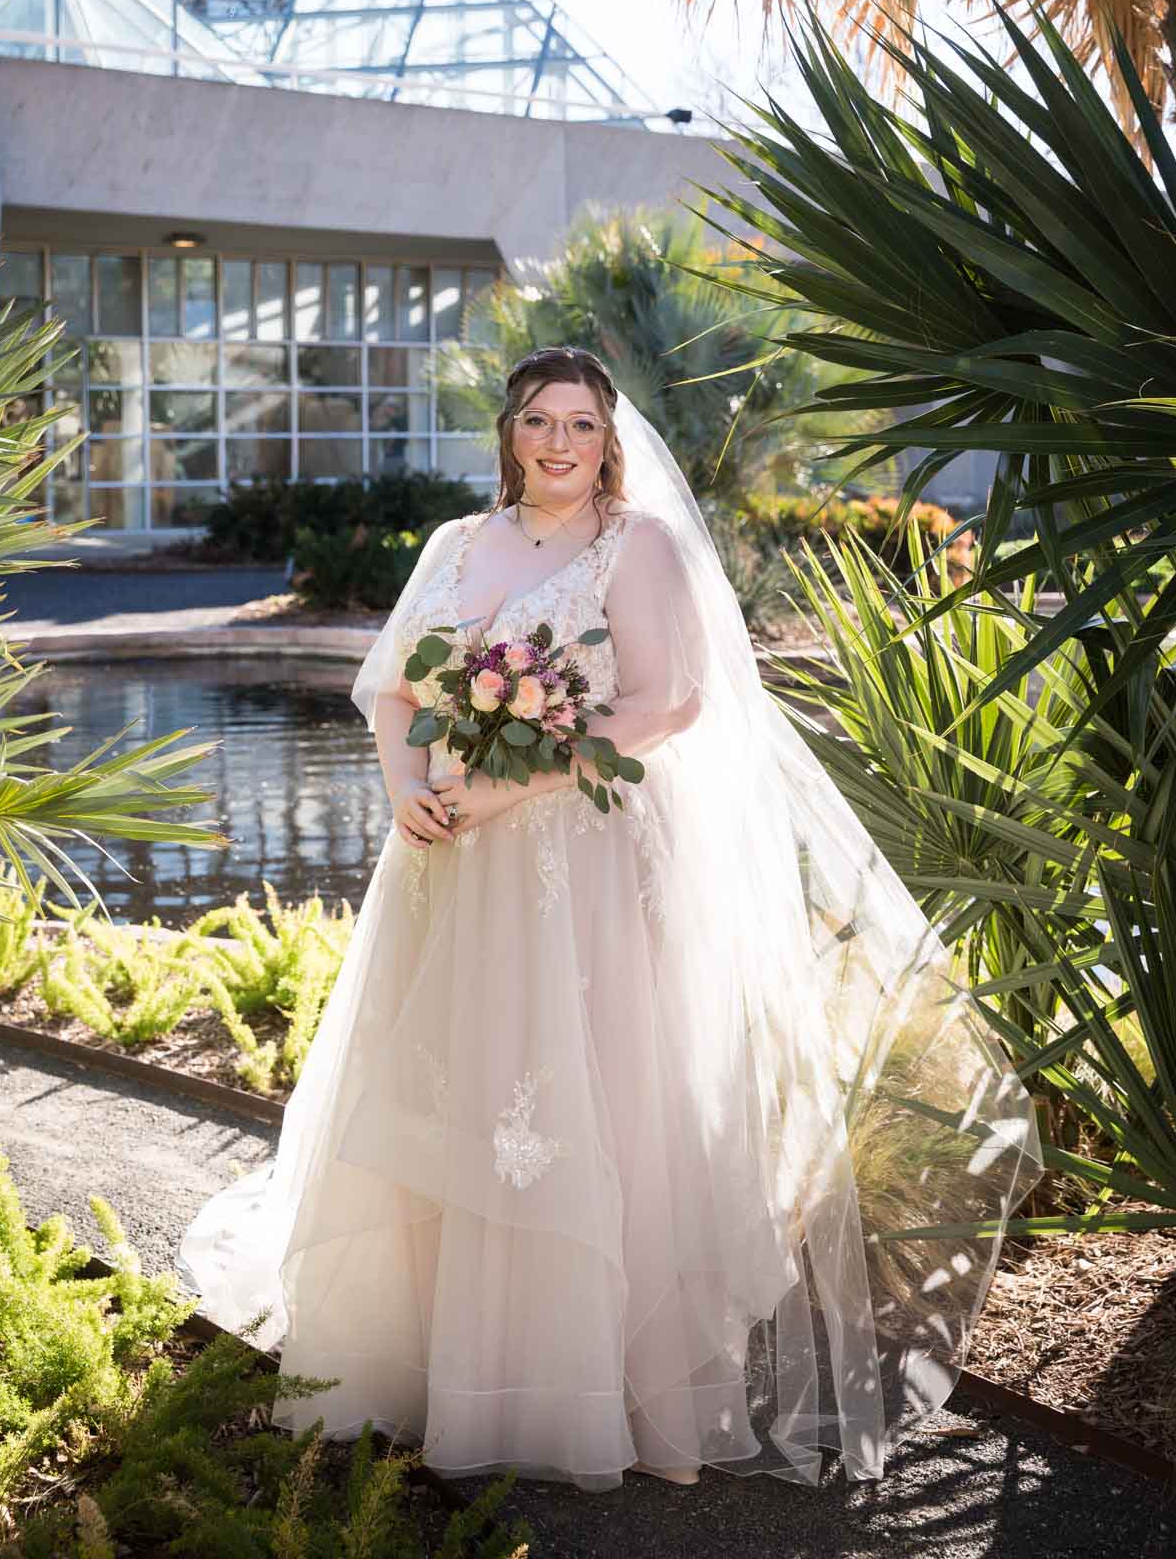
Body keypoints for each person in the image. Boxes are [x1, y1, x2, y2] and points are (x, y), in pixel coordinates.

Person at [178, 345, 1041, 1493]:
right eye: (537, 420)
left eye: (579, 424)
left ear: (607, 438)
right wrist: (404, 788)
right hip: (441, 858)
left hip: (572, 861)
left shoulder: (635, 546)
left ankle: (574, 1374)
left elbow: (667, 701)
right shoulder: (454, 543)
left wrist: (506, 783)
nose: (556, 443)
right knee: (447, 1078)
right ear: (509, 431)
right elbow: (393, 689)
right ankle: (428, 1355)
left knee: (575, 1091)